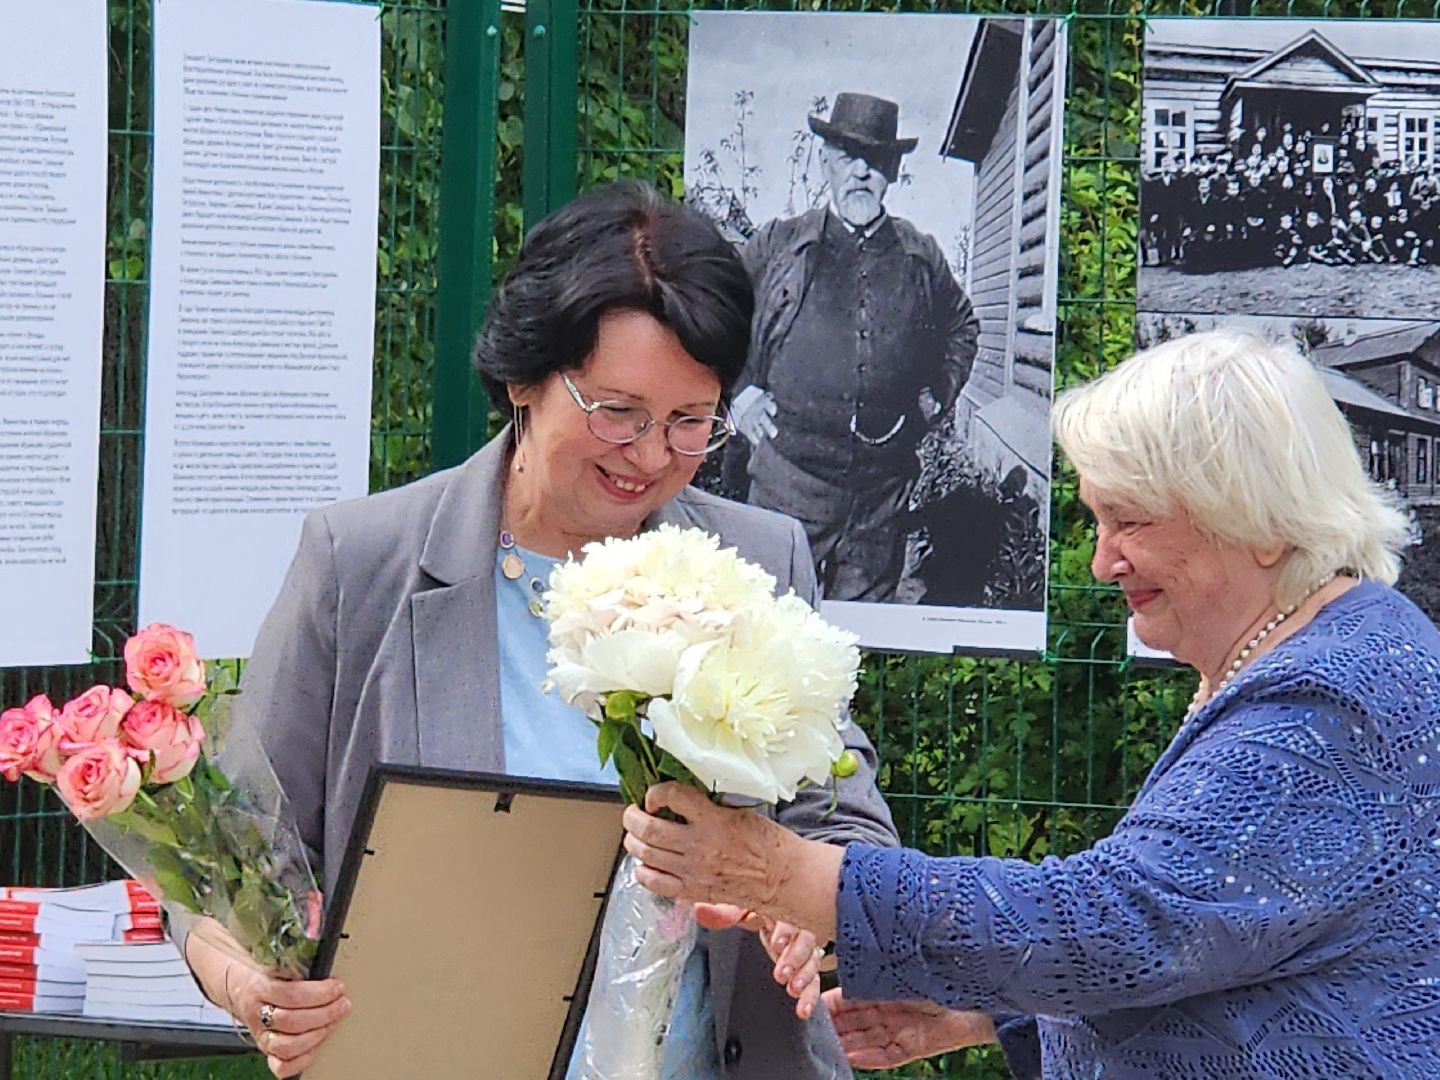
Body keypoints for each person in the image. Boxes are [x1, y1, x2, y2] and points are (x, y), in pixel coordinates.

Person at [174, 181, 899, 1079]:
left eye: (689, 423)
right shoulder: (360, 565)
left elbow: (850, 828)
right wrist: (247, 984)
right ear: (525, 376)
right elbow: (231, 860)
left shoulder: (758, 560)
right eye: (617, 412)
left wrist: (795, 900)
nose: (648, 457)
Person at [621, 330, 1440, 1077]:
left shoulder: (1332, 702)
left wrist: (784, 870)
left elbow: (1120, 920)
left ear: (1262, 523)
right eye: (1097, 520)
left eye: (1129, 521)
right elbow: (1208, 941)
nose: (1101, 561)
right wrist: (989, 1007)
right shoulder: (1324, 651)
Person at [726, 91, 979, 602]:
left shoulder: (919, 254)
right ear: (826, 163)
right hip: (787, 480)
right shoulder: (780, 244)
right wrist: (740, 392)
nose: (861, 172)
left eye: (876, 161)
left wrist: (937, 395)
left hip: (880, 497)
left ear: (892, 171)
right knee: (763, 625)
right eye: (848, 157)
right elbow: (713, 313)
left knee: (866, 643)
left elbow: (962, 326)